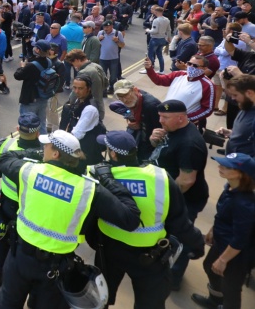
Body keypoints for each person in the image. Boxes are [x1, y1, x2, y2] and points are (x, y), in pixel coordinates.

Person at [0, 130, 141, 309]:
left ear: (55, 154)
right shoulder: (89, 189)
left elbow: (5, 159)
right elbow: (130, 218)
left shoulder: (30, 171)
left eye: (45, 146)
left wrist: (36, 154)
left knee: (7, 303)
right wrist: (107, 179)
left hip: (20, 257)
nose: (42, 148)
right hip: (56, 267)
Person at [92, 130, 205, 309]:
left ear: (113, 154)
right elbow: (179, 220)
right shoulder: (161, 178)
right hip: (151, 256)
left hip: (109, 250)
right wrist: (197, 243)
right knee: (150, 303)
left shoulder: (100, 176)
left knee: (100, 298)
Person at [149, 99, 209, 291]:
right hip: (168, 193)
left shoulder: (190, 144)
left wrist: (165, 203)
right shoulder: (173, 130)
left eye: (165, 117)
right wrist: (153, 141)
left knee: (178, 239)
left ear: (181, 118)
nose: (161, 121)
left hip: (184, 201)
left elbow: (186, 181)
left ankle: (172, 279)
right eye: (160, 116)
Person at [191, 153, 255, 309]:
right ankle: (215, 301)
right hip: (222, 242)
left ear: (242, 174)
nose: (220, 167)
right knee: (209, 267)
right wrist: (213, 230)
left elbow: (241, 239)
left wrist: (223, 260)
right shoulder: (230, 188)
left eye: (227, 166)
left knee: (231, 288)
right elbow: (223, 215)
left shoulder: (244, 204)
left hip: (236, 254)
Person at [0, 112, 42, 287]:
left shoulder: (5, 145)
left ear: (18, 129)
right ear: (38, 131)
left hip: (8, 204)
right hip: (32, 208)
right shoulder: (47, 154)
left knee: (2, 237)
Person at [144, 54, 215, 124]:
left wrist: (187, 118)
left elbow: (207, 109)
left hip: (183, 123)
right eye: (189, 63)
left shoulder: (208, 85)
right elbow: (159, 80)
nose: (191, 67)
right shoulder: (178, 74)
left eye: (195, 66)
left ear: (204, 68)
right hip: (166, 115)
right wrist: (149, 69)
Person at [60, 75, 105, 164]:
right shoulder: (79, 100)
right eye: (75, 88)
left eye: (80, 88)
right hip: (80, 146)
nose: (76, 91)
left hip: (87, 150)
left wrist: (61, 143)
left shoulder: (90, 109)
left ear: (88, 89)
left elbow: (77, 133)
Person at [112, 79, 160, 161]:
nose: (124, 100)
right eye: (120, 97)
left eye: (126, 95)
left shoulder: (151, 106)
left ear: (134, 90)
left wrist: (141, 124)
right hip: (141, 129)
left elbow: (159, 128)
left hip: (150, 139)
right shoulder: (134, 99)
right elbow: (114, 106)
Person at [14, 40, 54, 134]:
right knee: (42, 123)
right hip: (43, 97)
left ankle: (28, 144)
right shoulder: (48, 62)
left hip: (30, 99)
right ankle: (43, 145)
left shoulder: (31, 66)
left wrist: (22, 66)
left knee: (27, 125)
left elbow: (17, 76)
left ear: (37, 50)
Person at [217, 74, 255, 156]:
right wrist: (231, 133)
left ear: (249, 93)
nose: (233, 98)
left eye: (235, 95)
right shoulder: (246, 105)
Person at [98, 20, 125, 94]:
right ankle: (103, 90)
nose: (105, 29)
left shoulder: (117, 33)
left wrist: (117, 41)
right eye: (104, 27)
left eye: (107, 27)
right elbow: (97, 45)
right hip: (102, 58)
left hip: (114, 59)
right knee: (103, 76)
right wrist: (99, 39)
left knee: (113, 76)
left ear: (112, 26)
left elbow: (122, 45)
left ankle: (111, 87)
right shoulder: (101, 33)